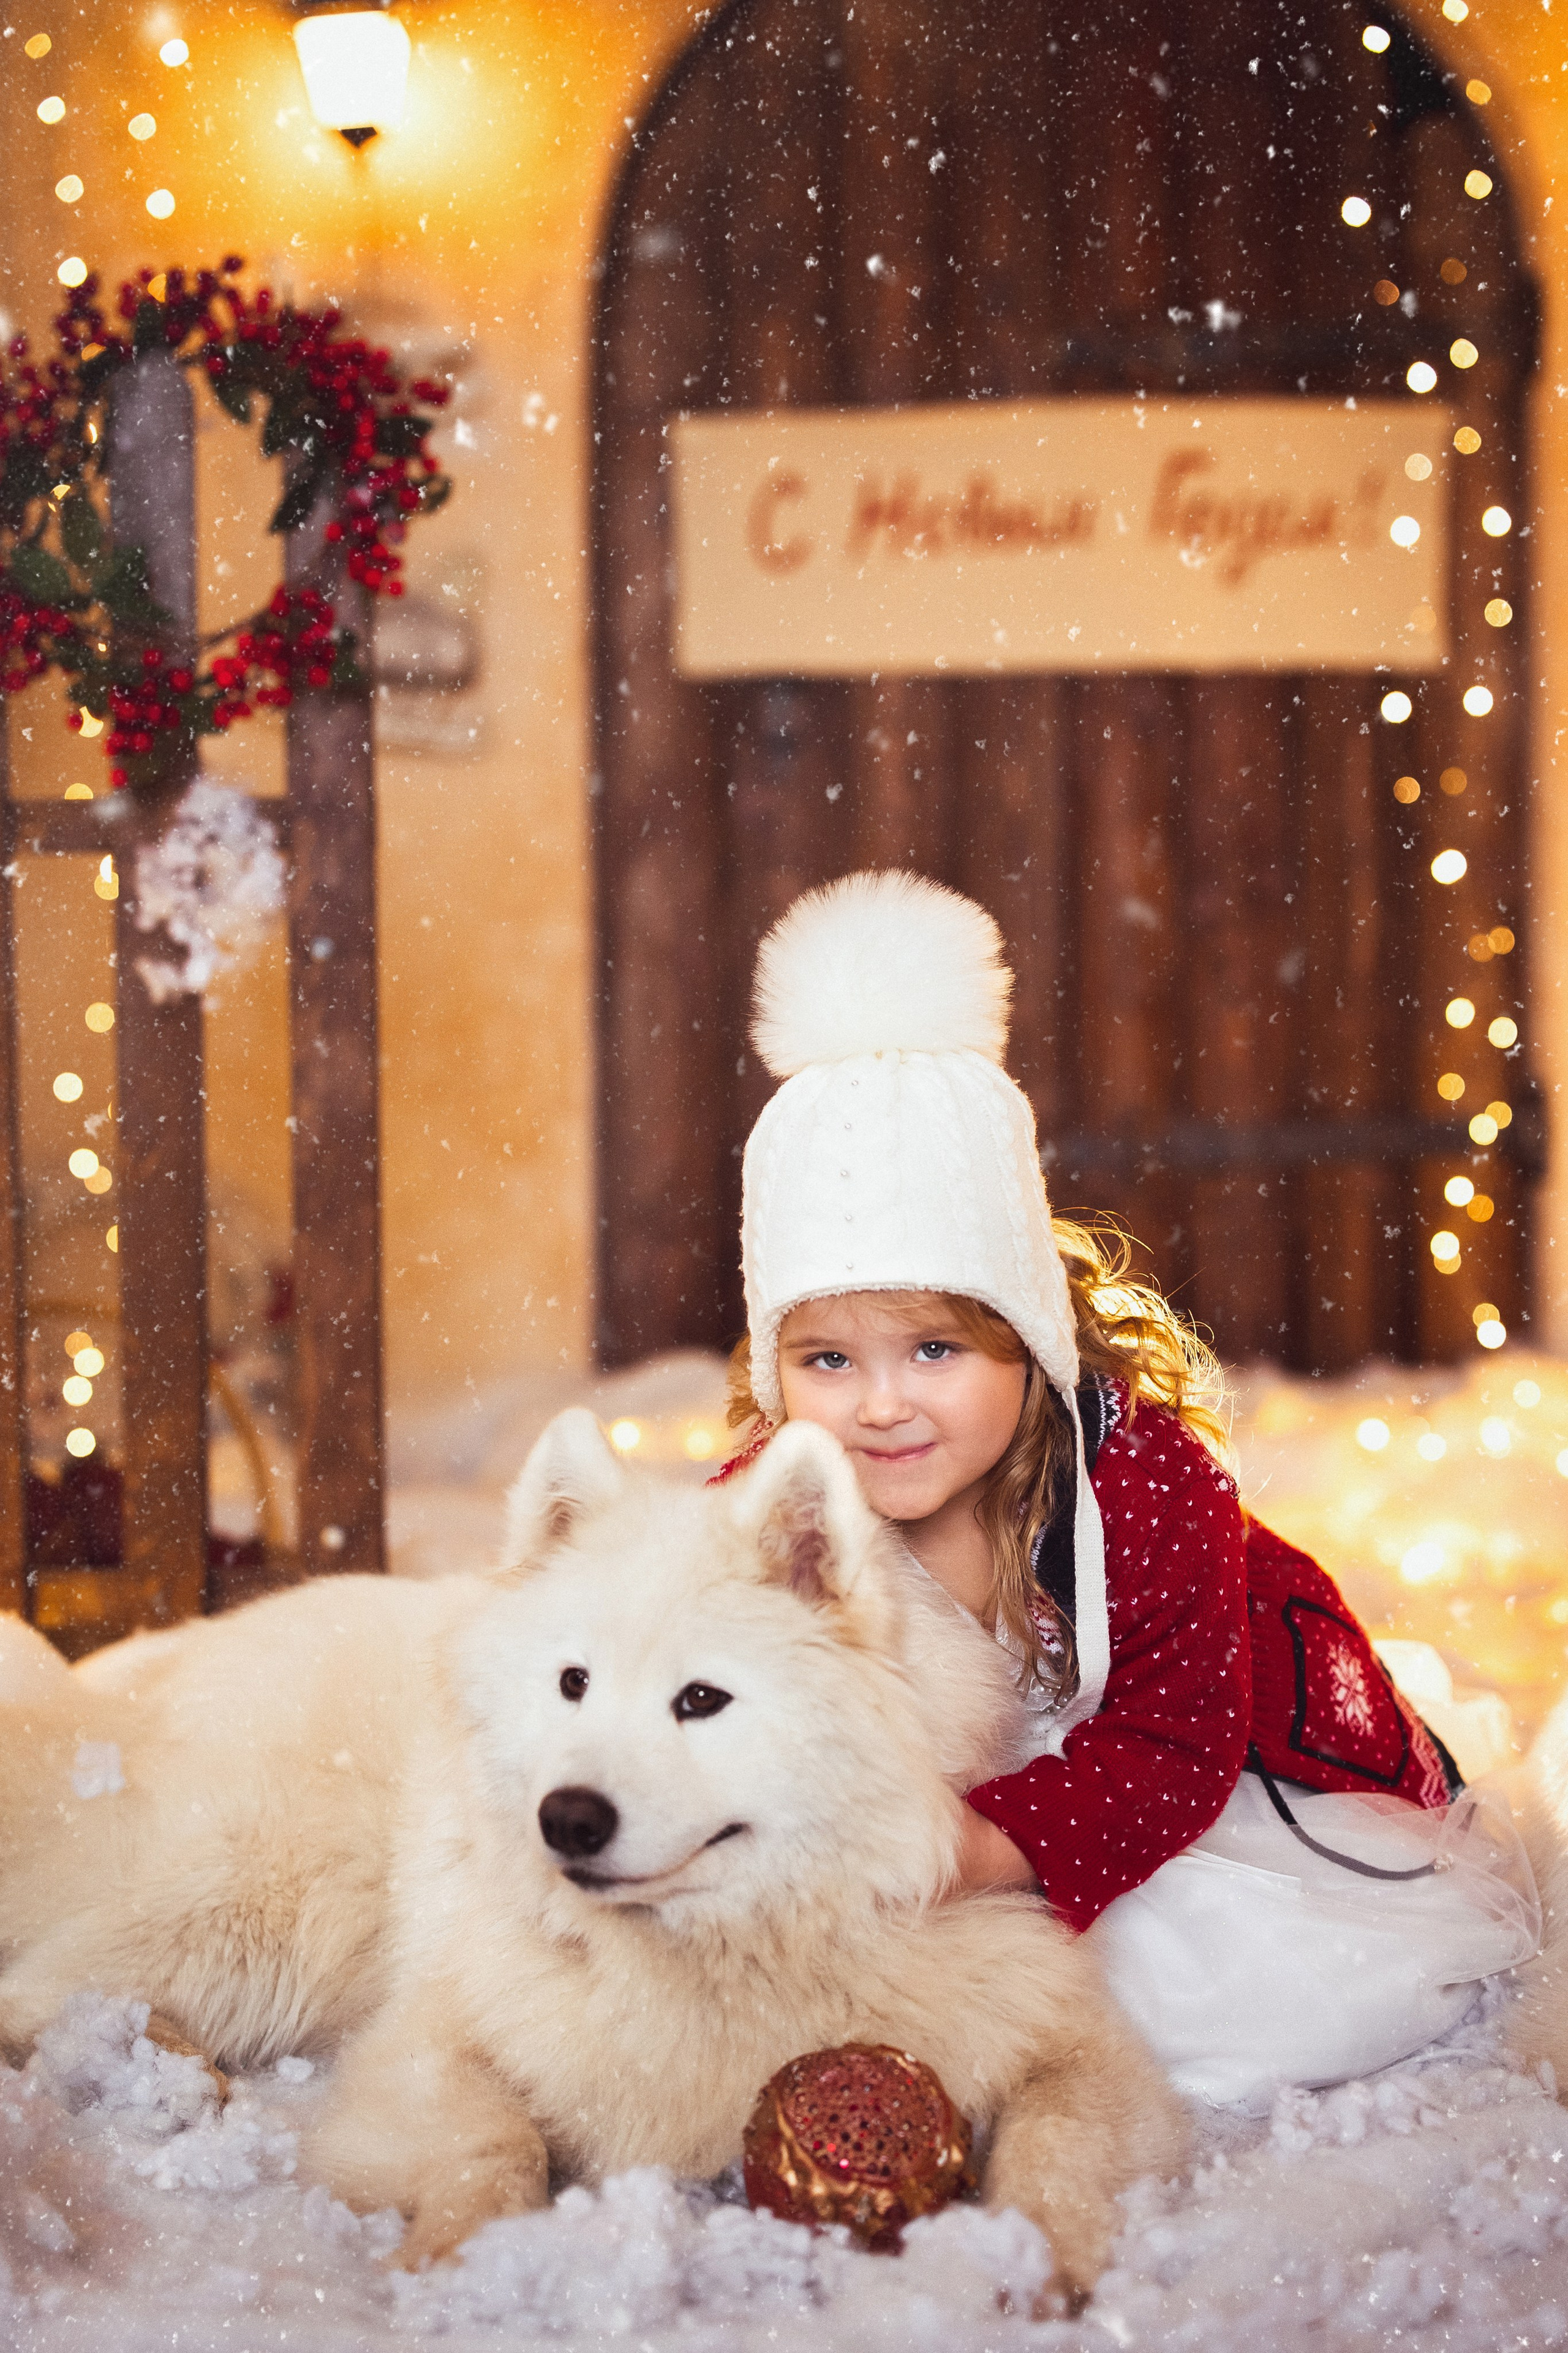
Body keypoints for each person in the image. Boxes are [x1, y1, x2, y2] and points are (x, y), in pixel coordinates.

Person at [714, 868, 1539, 2109]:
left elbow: (1170, 1744)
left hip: (1158, 1792)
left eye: (934, 1348)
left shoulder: (1145, 1487)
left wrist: (978, 1849)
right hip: (906, 1822)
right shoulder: (768, 1506)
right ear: (774, 1368)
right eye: (827, 1359)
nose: (880, 1402)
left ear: (1026, 1337)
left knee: (1205, 1995)